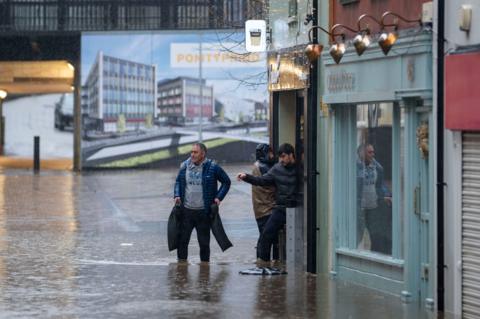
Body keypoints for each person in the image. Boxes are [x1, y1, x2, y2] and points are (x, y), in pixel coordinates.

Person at [238, 143, 297, 264]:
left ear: (291, 155)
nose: (281, 160)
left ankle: (281, 264)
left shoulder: (300, 169)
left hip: (297, 208)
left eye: (283, 156)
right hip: (280, 208)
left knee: (287, 239)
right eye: (279, 157)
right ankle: (263, 265)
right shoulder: (277, 168)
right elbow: (261, 181)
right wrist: (246, 177)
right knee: (266, 235)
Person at [174, 143, 231, 263]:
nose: (192, 155)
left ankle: (205, 272)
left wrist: (218, 198)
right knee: (182, 242)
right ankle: (182, 270)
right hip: (186, 211)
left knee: (204, 244)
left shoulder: (213, 167)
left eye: (195, 152)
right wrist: (177, 195)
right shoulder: (184, 166)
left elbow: (226, 182)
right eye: (191, 152)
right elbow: (178, 181)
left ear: (203, 154)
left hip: (204, 213)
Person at [356, 143, 392, 255]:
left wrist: (386, 195)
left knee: (375, 234)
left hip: (373, 207)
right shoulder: (354, 167)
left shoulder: (378, 167)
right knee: (357, 236)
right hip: (359, 208)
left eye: (373, 152)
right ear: (361, 153)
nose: (373, 154)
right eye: (369, 152)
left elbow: (380, 185)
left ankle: (375, 258)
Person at [251, 144, 277, 260]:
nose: (272, 155)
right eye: (270, 153)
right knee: (266, 239)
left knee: (263, 237)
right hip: (267, 208)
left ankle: (260, 263)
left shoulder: (256, 165)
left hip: (259, 208)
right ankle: (263, 264)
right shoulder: (264, 166)